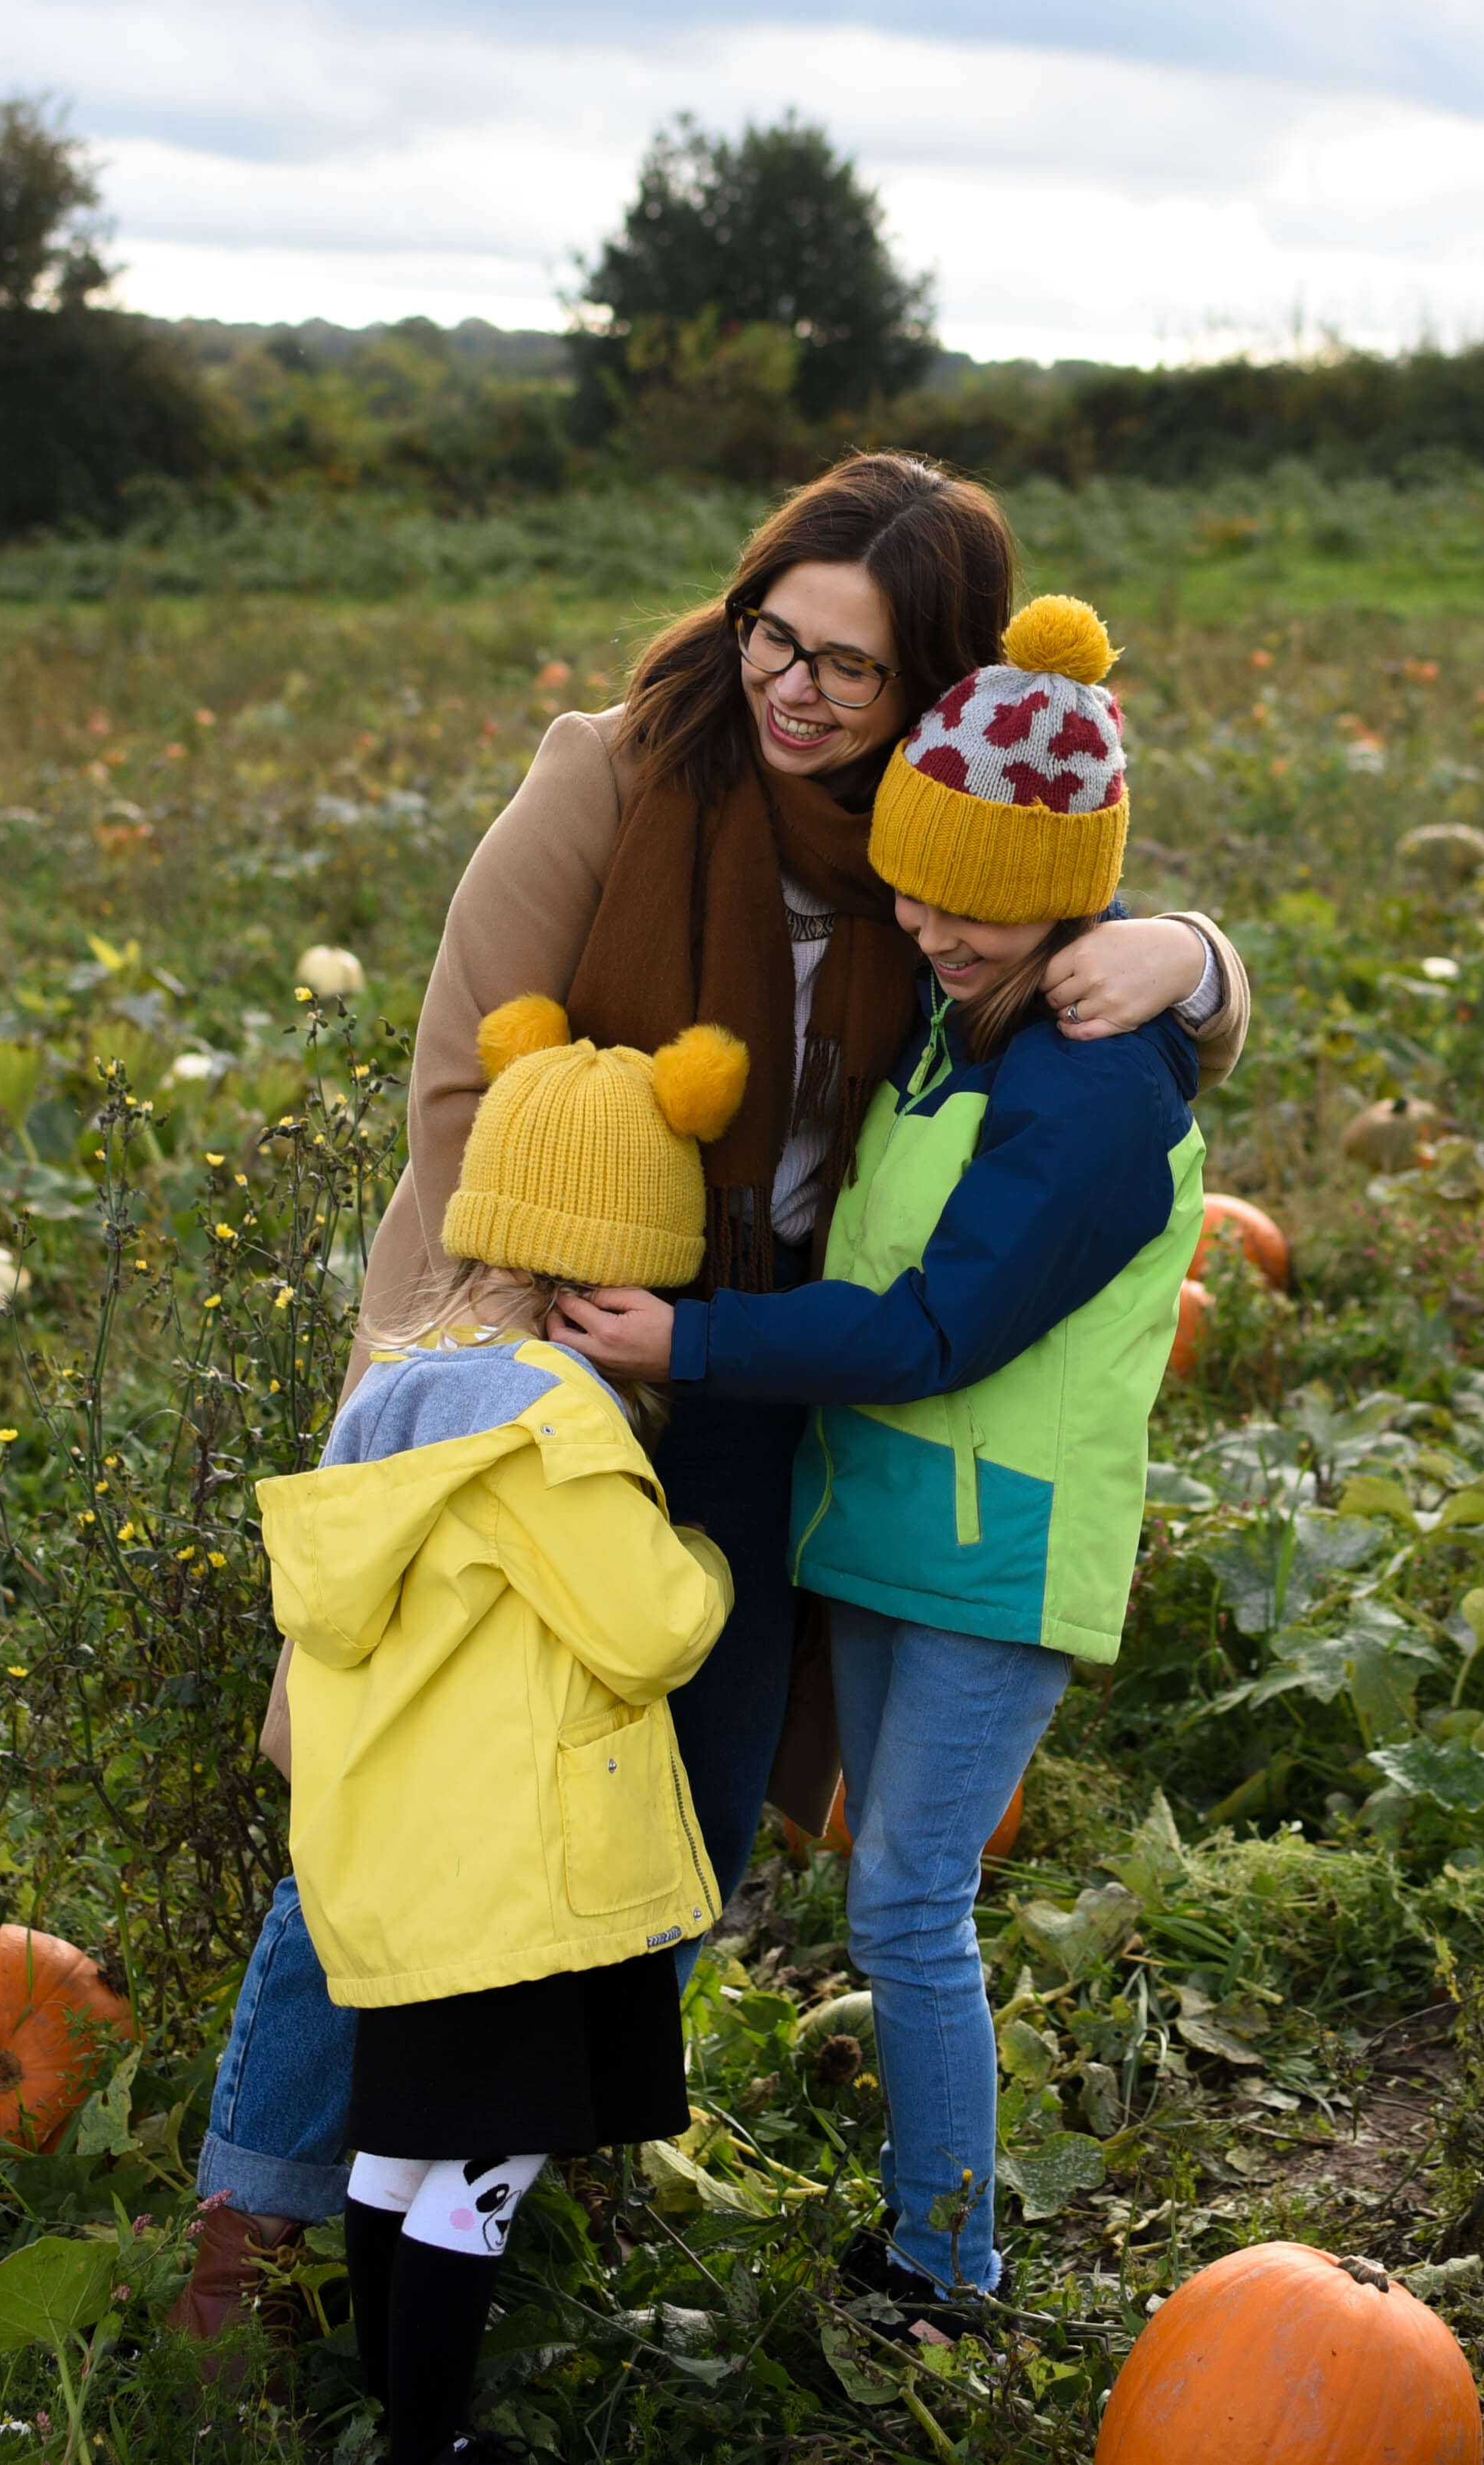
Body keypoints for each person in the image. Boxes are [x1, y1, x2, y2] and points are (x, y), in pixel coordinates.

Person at [180, 458, 1259, 2345]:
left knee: (689, 1802)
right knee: (404, 1797)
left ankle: (522, 2158)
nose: (799, 689)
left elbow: (1099, 993)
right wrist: (527, 1345)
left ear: (935, 696)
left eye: (852, 668)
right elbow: (458, 1089)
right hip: (514, 1340)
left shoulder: (941, 865)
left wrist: (1203, 952)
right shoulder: (607, 773)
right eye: (781, 633)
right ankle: (250, 2224)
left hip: (761, 1372)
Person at [558, 592, 1202, 2316]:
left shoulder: (1091, 1089)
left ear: (1071, 895)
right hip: (892, 1527)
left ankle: (948, 2264)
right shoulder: (959, 1017)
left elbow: (932, 1333)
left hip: (999, 1554)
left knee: (912, 1906)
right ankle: (924, 2233)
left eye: (978, 903)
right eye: (914, 887)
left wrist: (687, 1342)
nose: (931, 927)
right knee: (884, 1891)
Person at [259, 1004, 747, 2465]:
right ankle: (431, 2437)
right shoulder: (555, 1427)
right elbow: (649, 1624)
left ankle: (388, 2407)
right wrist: (713, 1558)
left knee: (400, 2142)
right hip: (527, 1883)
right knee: (488, 2159)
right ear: (622, 1259)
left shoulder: (392, 1399)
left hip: (407, 1873)